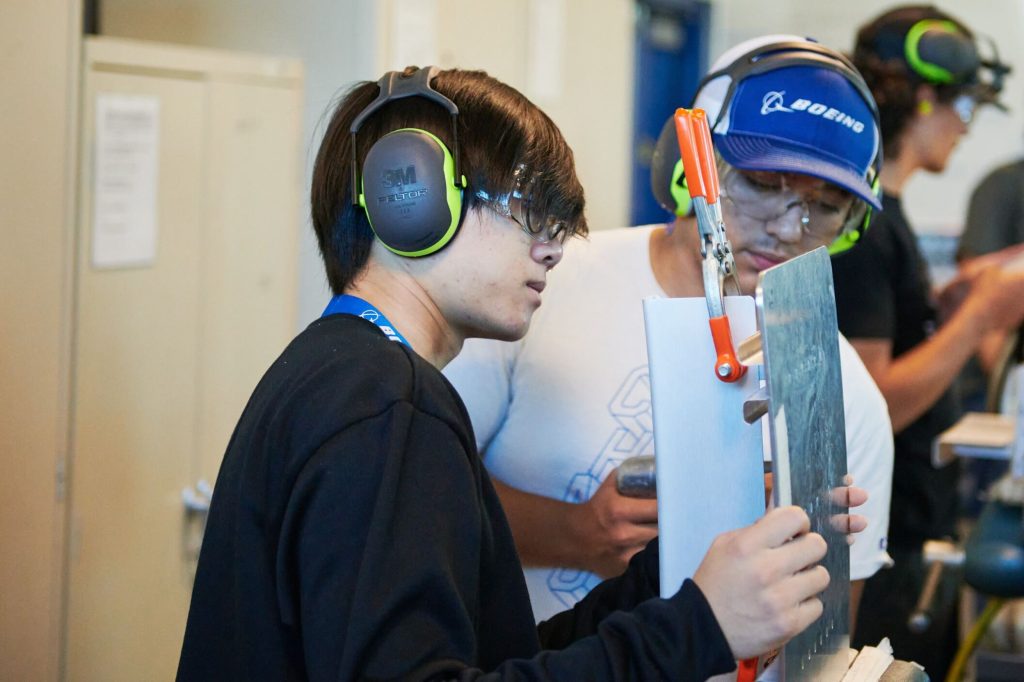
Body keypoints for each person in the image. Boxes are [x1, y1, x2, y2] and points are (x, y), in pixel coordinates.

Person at [176, 65, 843, 680]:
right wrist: (698, 628)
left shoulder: (338, 374)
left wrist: (684, 574)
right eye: (531, 210)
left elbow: (500, 661)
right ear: (412, 196)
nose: (555, 247)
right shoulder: (389, 405)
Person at [444, 34, 893, 631]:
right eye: (762, 183)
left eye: (827, 204)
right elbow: (418, 497)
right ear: (692, 165)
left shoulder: (842, 395)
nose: (789, 227)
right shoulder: (543, 285)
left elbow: (826, 643)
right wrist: (572, 533)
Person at [830, 5, 1024, 676]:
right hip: (888, 554)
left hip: (911, 534)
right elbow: (870, 405)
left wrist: (947, 305)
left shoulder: (890, 213)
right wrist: (979, 319)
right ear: (919, 97)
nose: (967, 125)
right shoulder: (865, 225)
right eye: (963, 104)